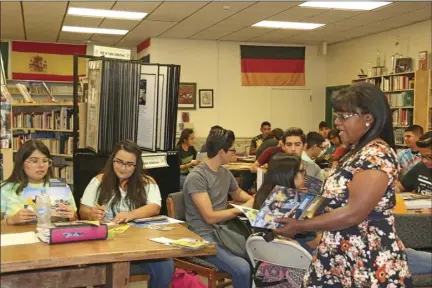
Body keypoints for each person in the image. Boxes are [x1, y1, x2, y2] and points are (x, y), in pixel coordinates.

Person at [275, 83, 412, 287]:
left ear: (368, 118)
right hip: (338, 251)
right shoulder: (355, 152)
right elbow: (337, 198)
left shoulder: (376, 155)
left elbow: (353, 213)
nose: (337, 123)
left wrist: (300, 226)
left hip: (366, 257)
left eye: (343, 116)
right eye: (337, 116)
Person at [79, 140, 174, 288]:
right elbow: (83, 210)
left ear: (137, 166)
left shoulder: (147, 182)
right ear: (112, 160)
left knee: (166, 265)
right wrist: (92, 213)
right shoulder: (99, 181)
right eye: (119, 162)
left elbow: (154, 207)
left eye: (130, 164)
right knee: (106, 271)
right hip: (107, 244)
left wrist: (131, 214)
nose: (123, 168)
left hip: (140, 244)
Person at [183, 128, 254, 288]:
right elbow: (209, 217)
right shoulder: (197, 177)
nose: (233, 154)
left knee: (257, 255)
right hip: (203, 236)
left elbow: (238, 193)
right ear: (222, 152)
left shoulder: (224, 173)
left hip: (224, 231)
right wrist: (241, 209)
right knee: (242, 268)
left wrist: (255, 200)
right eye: (232, 150)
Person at [1, 140, 77, 224]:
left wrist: (72, 216)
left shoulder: (60, 185)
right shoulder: (6, 188)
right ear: (21, 163)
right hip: (19, 236)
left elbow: (76, 219)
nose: (41, 165)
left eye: (45, 161)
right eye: (34, 161)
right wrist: (11, 220)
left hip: (53, 235)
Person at [251, 128, 323, 181]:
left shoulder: (314, 169)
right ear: (284, 147)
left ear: (304, 146)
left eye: (297, 145)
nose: (293, 149)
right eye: (289, 145)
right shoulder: (275, 167)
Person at [397, 131, 432, 195]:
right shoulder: (420, 166)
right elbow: (399, 187)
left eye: (429, 157)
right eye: (422, 156)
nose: (424, 161)